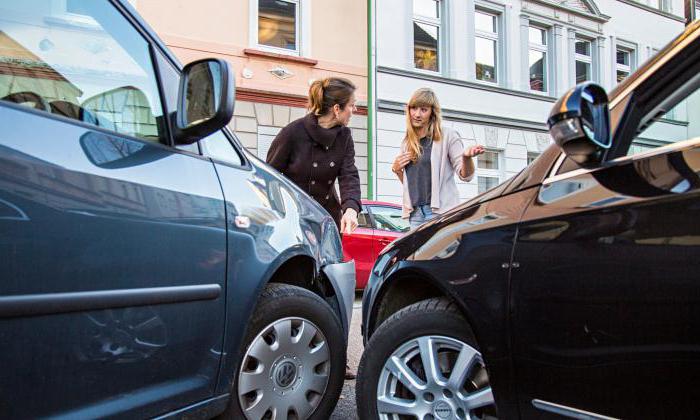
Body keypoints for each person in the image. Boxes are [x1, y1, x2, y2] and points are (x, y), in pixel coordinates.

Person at [266, 76, 361, 380]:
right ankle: (282, 352)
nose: (354, 111)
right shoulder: (293, 133)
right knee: (295, 286)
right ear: (336, 108)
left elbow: (349, 175)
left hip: (325, 222)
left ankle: (336, 356)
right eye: (352, 106)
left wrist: (350, 207)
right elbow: (270, 177)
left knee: (331, 289)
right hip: (291, 222)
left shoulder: (344, 136)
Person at [391, 88, 485, 230]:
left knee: (440, 253)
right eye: (414, 108)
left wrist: (466, 158)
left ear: (432, 113)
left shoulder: (448, 136)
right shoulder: (407, 143)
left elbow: (466, 176)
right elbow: (413, 185)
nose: (417, 114)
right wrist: (397, 170)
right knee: (419, 253)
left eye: (423, 109)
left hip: (439, 212)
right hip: (415, 214)